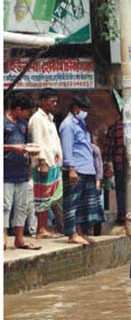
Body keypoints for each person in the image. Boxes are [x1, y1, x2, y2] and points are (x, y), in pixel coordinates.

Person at [4, 93, 41, 250]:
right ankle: (3, 236)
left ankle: (19, 238)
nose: (27, 115)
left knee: (22, 206)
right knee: (5, 205)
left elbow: (25, 144)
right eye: (26, 111)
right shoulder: (3, 122)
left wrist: (29, 151)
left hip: (22, 171)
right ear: (18, 109)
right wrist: (13, 147)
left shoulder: (23, 124)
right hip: (5, 172)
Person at [59, 94, 98, 245]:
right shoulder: (67, 125)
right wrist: (71, 169)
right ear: (76, 109)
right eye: (83, 109)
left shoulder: (80, 123)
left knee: (83, 204)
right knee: (71, 203)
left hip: (87, 168)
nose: (85, 112)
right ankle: (72, 234)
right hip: (76, 169)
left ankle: (80, 232)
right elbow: (67, 148)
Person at [28, 88, 64, 238]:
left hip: (53, 163)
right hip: (44, 164)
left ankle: (45, 228)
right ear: (43, 101)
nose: (54, 104)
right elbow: (37, 141)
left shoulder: (49, 118)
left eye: (56, 101)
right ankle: (41, 229)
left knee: (50, 196)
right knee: (42, 197)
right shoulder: (37, 118)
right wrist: (41, 161)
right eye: (52, 101)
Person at [104, 111, 126, 225]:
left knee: (121, 190)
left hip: (119, 164)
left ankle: (122, 214)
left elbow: (109, 147)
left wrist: (109, 163)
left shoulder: (114, 127)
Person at [86, 132, 105, 236]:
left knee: (96, 207)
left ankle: (97, 231)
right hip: (87, 180)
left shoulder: (94, 149)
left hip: (94, 181)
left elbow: (99, 168)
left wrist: (98, 181)